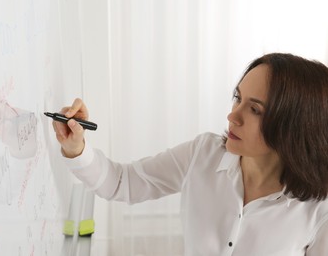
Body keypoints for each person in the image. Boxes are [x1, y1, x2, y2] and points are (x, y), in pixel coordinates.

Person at [52, 53, 328, 255]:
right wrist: (76, 148)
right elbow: (122, 183)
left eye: (254, 109)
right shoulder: (204, 154)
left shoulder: (319, 208)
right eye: (237, 98)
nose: (233, 115)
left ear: (293, 124)